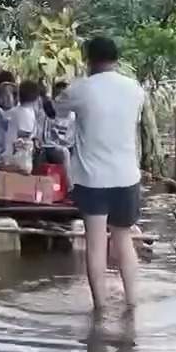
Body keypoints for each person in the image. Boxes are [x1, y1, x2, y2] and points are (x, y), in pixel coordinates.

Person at [59, 36, 146, 309]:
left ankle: (100, 308)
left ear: (88, 59)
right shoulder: (135, 89)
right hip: (126, 177)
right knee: (124, 240)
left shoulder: (81, 90)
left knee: (96, 245)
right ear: (116, 58)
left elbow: (56, 109)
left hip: (93, 180)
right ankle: (132, 304)